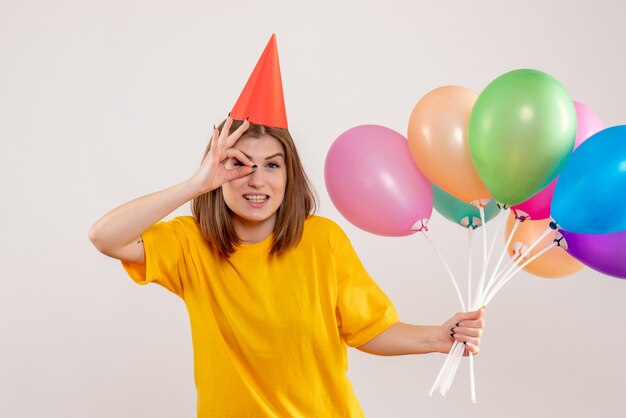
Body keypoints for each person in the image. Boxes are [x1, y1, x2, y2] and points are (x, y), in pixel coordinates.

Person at [89, 35, 484, 417]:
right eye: (239, 165)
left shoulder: (322, 240)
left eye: (271, 165)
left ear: (288, 174)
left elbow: (367, 329)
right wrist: (195, 184)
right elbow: (105, 236)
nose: (257, 180)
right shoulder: (191, 243)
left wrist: (437, 337)